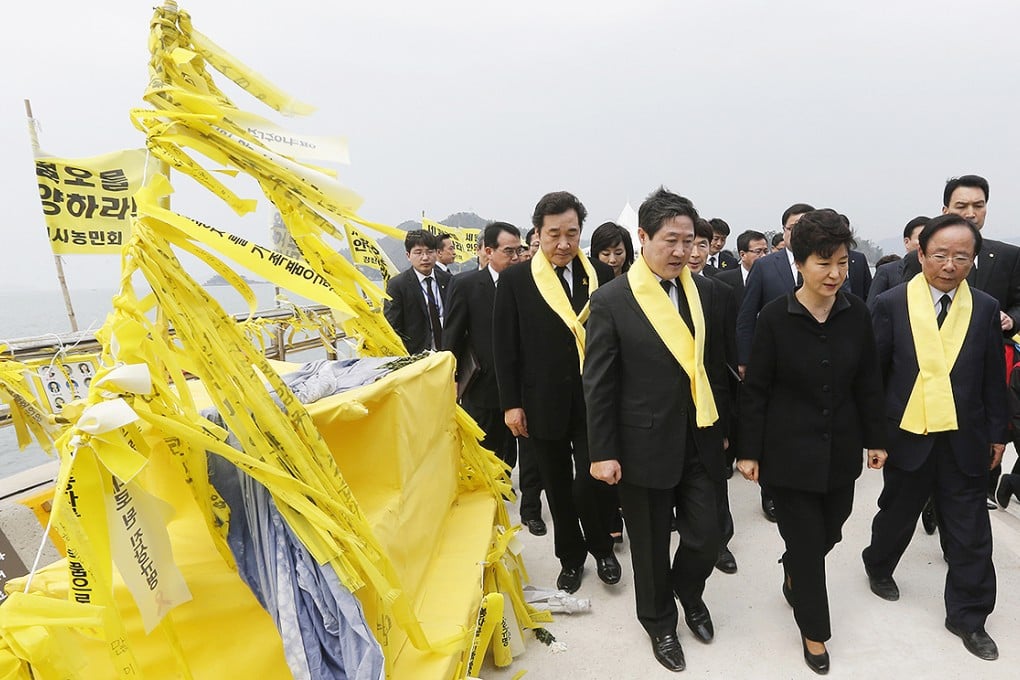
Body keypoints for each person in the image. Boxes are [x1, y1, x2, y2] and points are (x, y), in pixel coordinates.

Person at [585, 187, 730, 673]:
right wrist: (603, 451)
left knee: (708, 535)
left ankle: (688, 590)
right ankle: (659, 623)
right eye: (670, 240)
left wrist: (729, 430)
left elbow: (713, 367)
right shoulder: (611, 300)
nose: (682, 251)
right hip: (641, 443)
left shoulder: (706, 291)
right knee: (648, 547)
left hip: (701, 437)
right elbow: (599, 385)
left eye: (689, 241)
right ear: (642, 237)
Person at [737, 209, 887, 675]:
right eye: (825, 263)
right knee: (807, 546)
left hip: (840, 449)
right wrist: (748, 450)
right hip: (788, 452)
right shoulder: (774, 318)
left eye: (842, 262)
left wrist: (876, 438)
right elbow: (756, 388)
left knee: (832, 529)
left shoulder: (856, 313)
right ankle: (814, 632)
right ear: (799, 262)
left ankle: (791, 567)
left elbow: (868, 382)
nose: (836, 273)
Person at [862, 214, 1007, 662]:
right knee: (897, 513)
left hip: (964, 437)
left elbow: (990, 377)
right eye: (940, 254)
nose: (949, 265)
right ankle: (878, 563)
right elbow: (874, 375)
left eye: (961, 256)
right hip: (908, 435)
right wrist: (874, 436)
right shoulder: (889, 303)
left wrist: (998, 433)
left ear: (973, 259)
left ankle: (968, 617)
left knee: (970, 532)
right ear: (921, 254)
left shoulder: (983, 307)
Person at [493, 190, 621, 593]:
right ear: (538, 233)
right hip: (541, 402)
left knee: (591, 482)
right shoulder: (517, 280)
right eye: (554, 235)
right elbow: (504, 347)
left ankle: (603, 550)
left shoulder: (597, 276)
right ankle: (570, 558)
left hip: (593, 402)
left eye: (572, 233)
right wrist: (511, 404)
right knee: (557, 487)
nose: (564, 243)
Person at [736, 202, 815, 522]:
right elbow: (746, 317)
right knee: (773, 428)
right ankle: (770, 492)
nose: (798, 231)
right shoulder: (766, 267)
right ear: (783, 231)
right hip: (773, 363)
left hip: (815, 364)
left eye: (806, 225)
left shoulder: (827, 265)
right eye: (792, 226)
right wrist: (744, 360)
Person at [444, 222, 524, 471]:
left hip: (520, 385)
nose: (515, 257)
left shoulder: (526, 283)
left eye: (518, 251)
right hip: (482, 386)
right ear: (489, 251)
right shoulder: (466, 285)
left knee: (512, 452)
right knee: (485, 452)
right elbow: (452, 337)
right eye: (508, 251)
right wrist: (452, 378)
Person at [713, 229, 769, 574]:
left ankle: (720, 543)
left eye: (695, 243)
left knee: (713, 485)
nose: (687, 251)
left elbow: (728, 345)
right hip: (654, 416)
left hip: (714, 401)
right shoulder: (624, 297)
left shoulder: (715, 291)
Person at [384, 230, 452, 354]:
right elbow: (393, 328)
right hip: (417, 357)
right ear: (408, 255)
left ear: (436, 254)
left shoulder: (448, 279)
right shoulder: (397, 285)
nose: (425, 257)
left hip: (449, 354)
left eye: (429, 252)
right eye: (418, 252)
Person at [867, 216, 928, 308]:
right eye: (922, 238)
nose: (926, 242)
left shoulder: (940, 272)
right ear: (907, 242)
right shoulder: (886, 271)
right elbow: (872, 307)